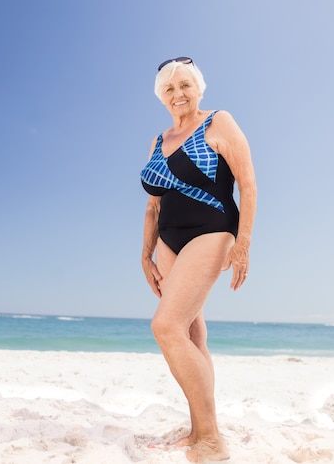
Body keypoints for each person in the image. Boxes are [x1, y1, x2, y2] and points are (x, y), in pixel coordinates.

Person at [140, 57, 257, 463]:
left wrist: (242, 244)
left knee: (166, 326)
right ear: (161, 96)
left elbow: (248, 183)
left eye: (186, 85)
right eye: (170, 89)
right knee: (191, 335)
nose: (179, 94)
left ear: (199, 88)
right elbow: (153, 207)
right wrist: (145, 253)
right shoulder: (159, 140)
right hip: (169, 240)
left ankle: (212, 439)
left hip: (213, 230)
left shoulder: (218, 122)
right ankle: (197, 430)